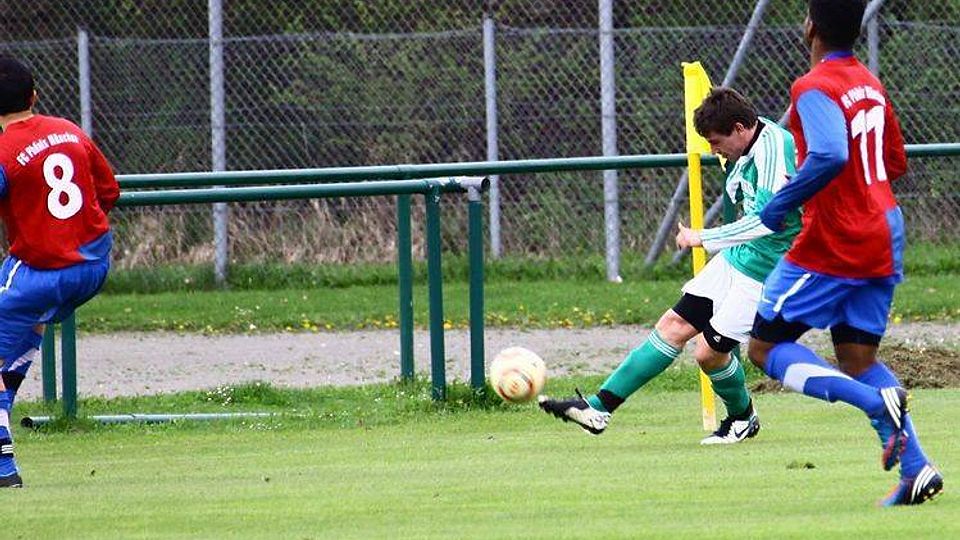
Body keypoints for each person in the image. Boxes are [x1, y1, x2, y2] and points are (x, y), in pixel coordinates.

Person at [747, 0, 942, 506]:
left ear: (810, 26)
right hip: (884, 227)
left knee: (765, 348)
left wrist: (782, 202)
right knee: (858, 358)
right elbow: (894, 161)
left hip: (837, 237)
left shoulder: (812, 86)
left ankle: (878, 405)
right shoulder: (870, 83)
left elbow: (831, 153)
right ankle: (916, 470)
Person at [539, 87, 802, 445]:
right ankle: (598, 408)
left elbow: (768, 221)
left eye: (715, 141)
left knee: (708, 354)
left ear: (741, 128)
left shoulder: (774, 149)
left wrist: (704, 237)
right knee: (673, 325)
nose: (713, 150)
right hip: (740, 258)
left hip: (767, 272)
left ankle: (743, 419)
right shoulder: (747, 145)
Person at [0, 56, 120, 488]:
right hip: (92, 266)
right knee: (16, 332)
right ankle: (4, 407)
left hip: (42, 272)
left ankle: (2, 466)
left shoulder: (4, 151)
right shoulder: (70, 131)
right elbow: (108, 192)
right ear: (34, 95)